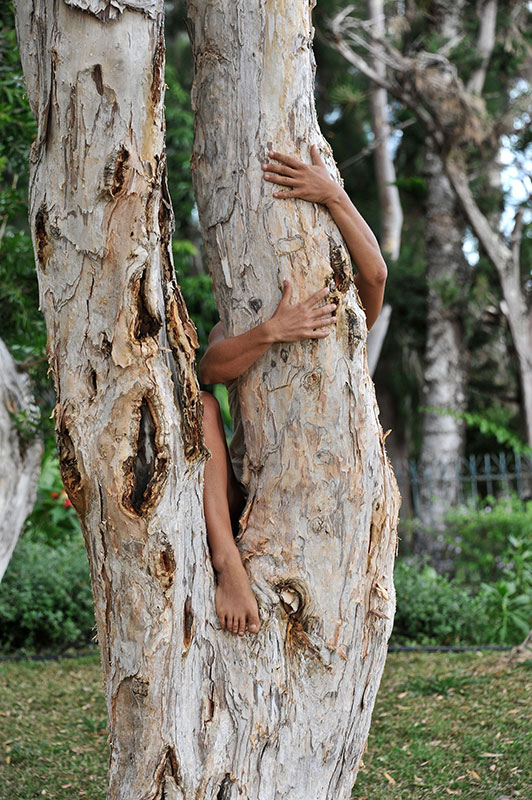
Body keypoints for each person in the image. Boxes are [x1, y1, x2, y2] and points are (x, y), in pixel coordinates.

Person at [198, 144, 388, 637]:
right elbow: (210, 370)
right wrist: (273, 331)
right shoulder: (238, 324)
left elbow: (376, 273)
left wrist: (334, 196)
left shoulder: (339, 317)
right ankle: (228, 564)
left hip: (336, 489)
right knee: (202, 409)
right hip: (249, 498)